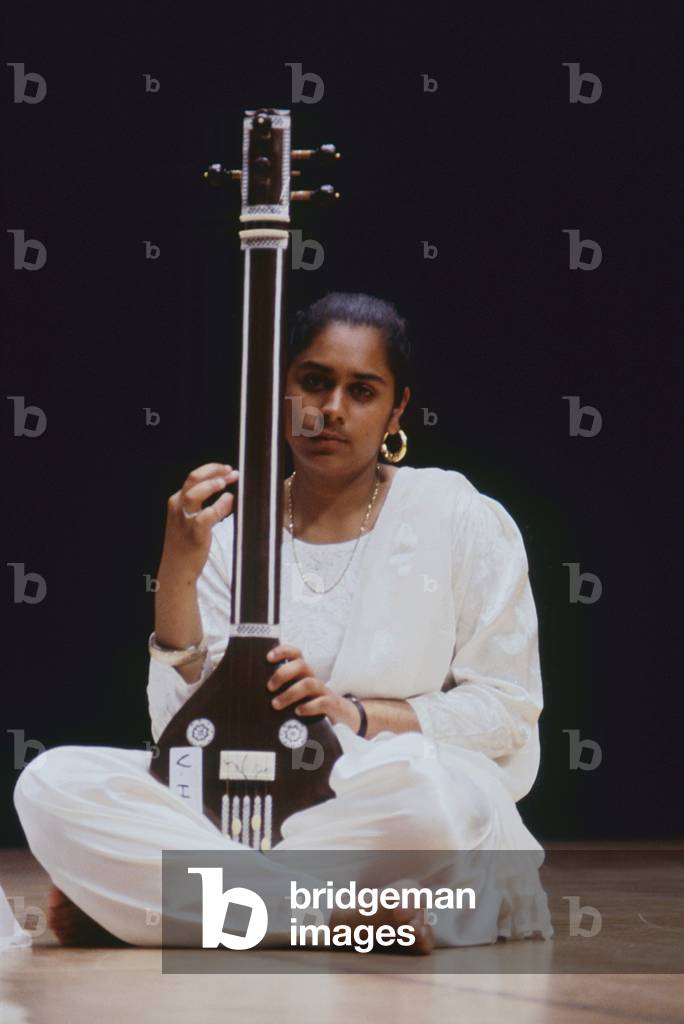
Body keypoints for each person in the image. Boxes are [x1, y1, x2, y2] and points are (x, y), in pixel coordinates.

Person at [13, 292, 553, 952]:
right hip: (244, 801)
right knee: (53, 782)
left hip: (373, 803)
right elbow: (180, 732)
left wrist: (352, 713)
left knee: (438, 799)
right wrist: (178, 572)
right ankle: (333, 919)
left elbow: (506, 711)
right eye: (315, 381)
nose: (331, 409)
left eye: (362, 390)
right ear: (279, 389)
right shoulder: (231, 531)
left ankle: (172, 901)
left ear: (397, 410)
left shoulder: (458, 514)